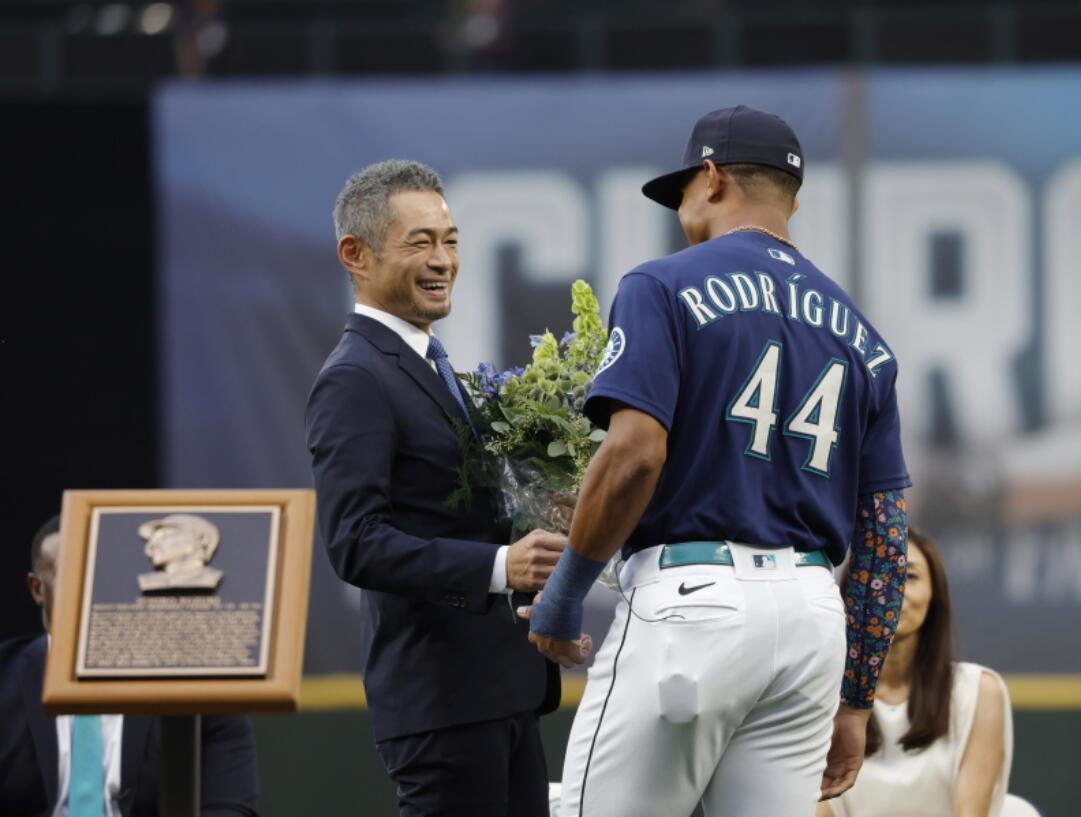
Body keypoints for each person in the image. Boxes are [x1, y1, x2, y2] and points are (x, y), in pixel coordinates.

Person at [523, 105, 911, 817]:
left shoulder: (662, 285)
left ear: (710, 177)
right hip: (810, 617)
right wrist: (855, 698)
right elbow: (886, 540)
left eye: (682, 193)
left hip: (693, 605)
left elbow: (636, 452)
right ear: (793, 200)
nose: (681, 212)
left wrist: (565, 589)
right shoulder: (864, 337)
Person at [305, 159, 567, 817]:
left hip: (502, 688)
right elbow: (354, 542)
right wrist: (500, 565)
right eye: (419, 241)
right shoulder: (355, 378)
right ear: (354, 255)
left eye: (449, 240)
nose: (443, 259)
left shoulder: (429, 360)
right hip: (442, 701)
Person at [0, 516, 260, 817]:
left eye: (107, 576)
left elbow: (230, 807)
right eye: (75, 575)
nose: (95, 591)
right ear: (37, 589)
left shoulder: (198, 684)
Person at [818, 530, 1014, 817]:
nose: (893, 592)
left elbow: (971, 812)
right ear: (851, 591)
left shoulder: (979, 691)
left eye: (909, 577)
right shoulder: (818, 693)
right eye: (878, 576)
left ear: (935, 594)